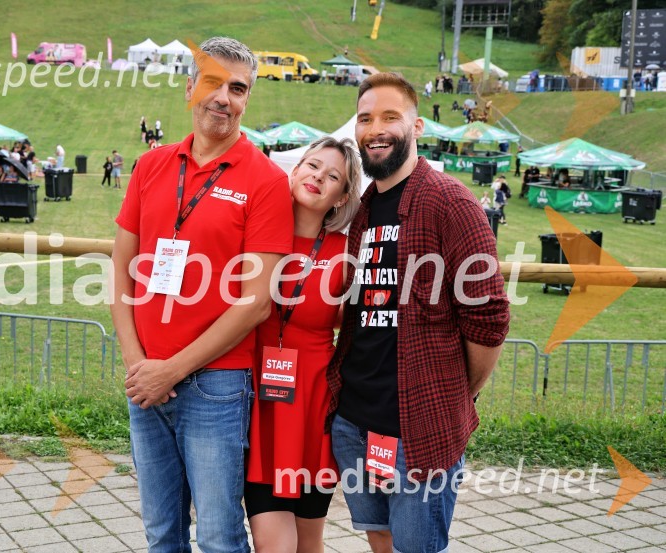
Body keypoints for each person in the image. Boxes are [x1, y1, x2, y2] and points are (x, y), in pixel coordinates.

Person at [111, 36, 294, 552]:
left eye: (237, 89)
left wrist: (171, 370)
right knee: (161, 534)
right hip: (146, 379)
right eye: (212, 83)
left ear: (247, 99)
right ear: (190, 87)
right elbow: (121, 271)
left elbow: (257, 302)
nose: (223, 98)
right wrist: (138, 364)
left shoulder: (264, 180)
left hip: (217, 385)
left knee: (218, 537)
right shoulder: (151, 165)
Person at [327, 72, 510, 553]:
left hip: (419, 428)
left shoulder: (451, 202)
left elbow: (489, 319)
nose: (375, 129)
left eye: (390, 117)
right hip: (354, 422)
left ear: (417, 126)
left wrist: (456, 393)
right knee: (378, 535)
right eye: (365, 119)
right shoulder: (364, 209)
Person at [245, 137, 360, 553]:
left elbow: (355, 329)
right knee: (271, 542)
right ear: (294, 172)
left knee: (308, 541)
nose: (318, 177)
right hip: (255, 401)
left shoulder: (346, 253)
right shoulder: (254, 235)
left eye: (333, 176)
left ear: (341, 197)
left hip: (311, 406)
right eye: (312, 166)